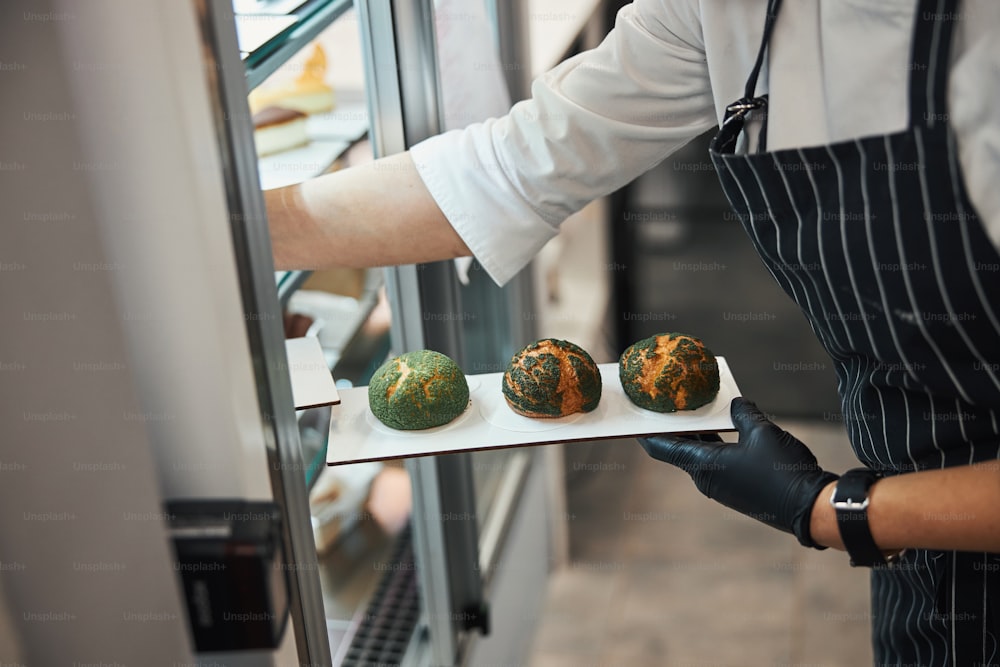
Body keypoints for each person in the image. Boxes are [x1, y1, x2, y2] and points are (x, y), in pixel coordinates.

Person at [266, 0, 1000, 663]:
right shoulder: (714, 11)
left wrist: (833, 510)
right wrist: (242, 225)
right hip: (913, 538)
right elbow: (509, 168)